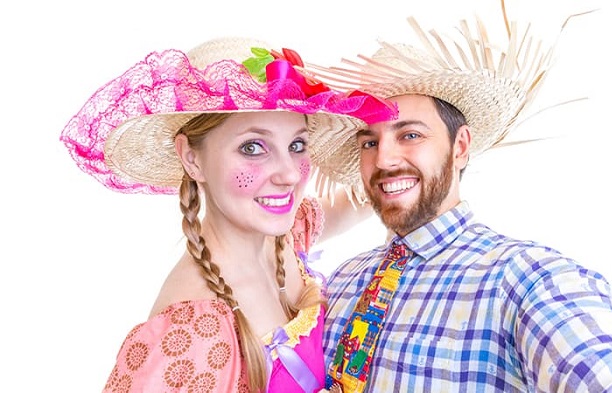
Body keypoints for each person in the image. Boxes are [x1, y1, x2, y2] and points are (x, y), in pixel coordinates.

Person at [306, 5, 612, 393]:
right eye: (369, 142)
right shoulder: (342, 280)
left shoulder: (526, 278)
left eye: (410, 135)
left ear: (460, 146)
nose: (384, 159)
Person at [59, 36, 396, 393]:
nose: (291, 175)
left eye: (296, 145)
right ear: (192, 158)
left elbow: (360, 200)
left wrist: (422, 157)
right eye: (253, 147)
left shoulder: (284, 240)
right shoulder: (191, 330)